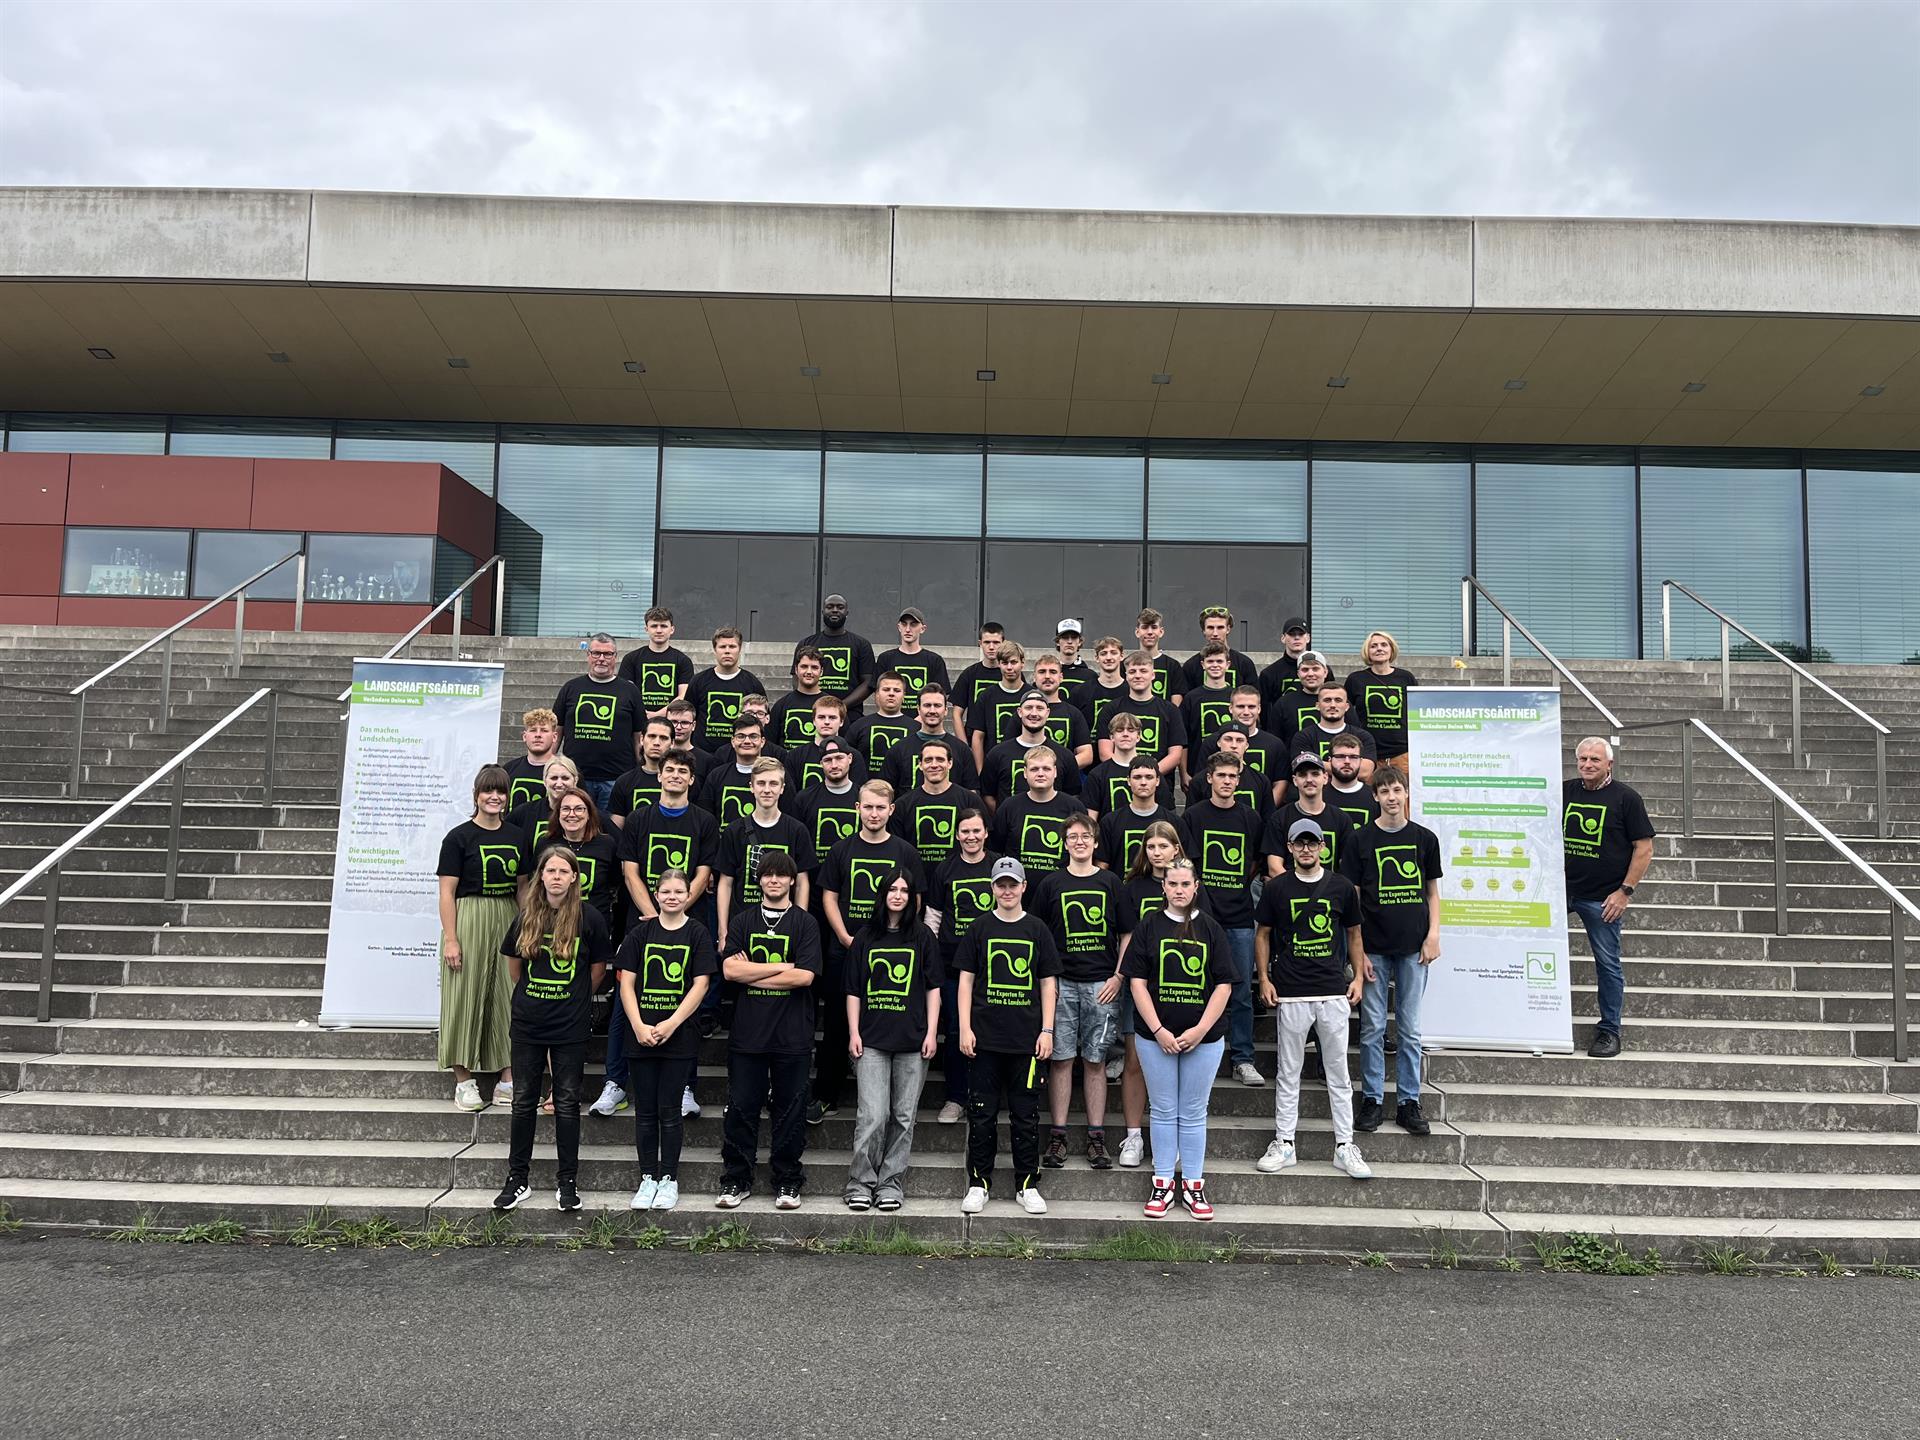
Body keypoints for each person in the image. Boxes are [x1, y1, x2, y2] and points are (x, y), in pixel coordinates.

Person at [492, 844, 613, 1212]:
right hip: (529, 1021)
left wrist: (571, 999)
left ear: (574, 877)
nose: (556, 877)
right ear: (540, 876)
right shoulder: (525, 917)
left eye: (563, 871)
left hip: (569, 1024)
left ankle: (567, 1181)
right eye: (550, 871)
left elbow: (596, 972)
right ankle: (518, 1179)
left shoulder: (589, 918)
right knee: (523, 1101)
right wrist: (537, 999)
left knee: (566, 1102)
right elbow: (516, 970)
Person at [1254, 818, 1372, 1181]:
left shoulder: (1340, 887)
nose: (1306, 849)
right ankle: (1284, 1142)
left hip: (1332, 990)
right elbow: (1263, 936)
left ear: (1323, 846)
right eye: (1299, 843)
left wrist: (1357, 981)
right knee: (1288, 1072)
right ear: (1289, 848)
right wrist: (1264, 978)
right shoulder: (1277, 889)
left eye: (1312, 843)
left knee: (1338, 1073)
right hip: (1291, 992)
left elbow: (1353, 934)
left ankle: (1345, 1145)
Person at [1125, 857, 1235, 1220]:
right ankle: (1162, 1184)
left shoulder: (1211, 929)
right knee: (1163, 1109)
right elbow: (1137, 982)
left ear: (1195, 887)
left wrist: (1200, 1030)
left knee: (1192, 1113)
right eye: (1173, 885)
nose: (1179, 890)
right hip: (1155, 1037)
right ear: (1164, 887)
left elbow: (1223, 983)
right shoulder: (1148, 926)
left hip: (1203, 1038)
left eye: (1185, 885)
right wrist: (1158, 1030)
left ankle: (1193, 1185)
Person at [955, 857, 1061, 1216]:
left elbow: (1048, 983)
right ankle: (978, 1184)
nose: (1007, 890)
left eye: (1012, 884)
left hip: (1026, 1041)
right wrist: (965, 1027)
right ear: (992, 888)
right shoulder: (980, 927)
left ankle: (1027, 1185)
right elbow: (965, 981)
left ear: (1023, 887)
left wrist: (1047, 1029)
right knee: (982, 1116)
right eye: (1001, 884)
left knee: (1025, 1116)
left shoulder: (1037, 929)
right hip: (984, 1040)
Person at [815, 780, 925, 1122]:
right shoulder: (841, 849)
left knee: (887, 1020)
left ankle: (887, 1104)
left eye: (881, 807)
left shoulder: (904, 851)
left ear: (891, 810)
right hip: (845, 950)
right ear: (857, 809)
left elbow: (915, 900)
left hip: (892, 954)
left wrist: (894, 938)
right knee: (835, 1024)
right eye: (868, 806)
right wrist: (846, 936)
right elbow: (829, 897)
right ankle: (826, 1096)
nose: (874, 813)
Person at [717, 852, 823, 1209]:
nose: (774, 880)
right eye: (767, 875)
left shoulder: (805, 924)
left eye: (781, 875)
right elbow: (731, 972)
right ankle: (736, 1179)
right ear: (759, 880)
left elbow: (805, 977)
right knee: (741, 1109)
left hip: (792, 1035)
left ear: (792, 880)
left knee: (790, 1112)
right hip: (748, 1034)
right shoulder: (743, 920)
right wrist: (783, 968)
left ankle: (788, 1181)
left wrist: (756, 972)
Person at [614, 868, 716, 1213]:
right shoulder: (640, 933)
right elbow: (626, 983)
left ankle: (668, 1178)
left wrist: (671, 1023)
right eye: (665, 891)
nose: (672, 897)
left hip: (679, 1036)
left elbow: (700, 984)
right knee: (645, 1110)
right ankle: (648, 1178)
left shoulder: (698, 933)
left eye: (678, 892)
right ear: (656, 896)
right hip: (640, 1035)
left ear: (689, 896)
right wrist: (640, 1025)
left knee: (670, 1111)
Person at [1348, 767, 1442, 1136]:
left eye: (1397, 790)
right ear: (1375, 796)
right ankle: (1371, 1098)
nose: (1391, 796)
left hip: (1414, 948)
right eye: (1384, 790)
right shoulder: (1360, 840)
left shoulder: (1424, 838)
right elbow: (1353, 901)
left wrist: (1433, 934)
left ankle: (1408, 1101)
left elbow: (1432, 892)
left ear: (1406, 794)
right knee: (1371, 1027)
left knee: (1410, 1029)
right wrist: (1358, 954)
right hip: (1373, 948)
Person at [844, 867, 942, 1211]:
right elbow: (853, 990)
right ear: (882, 894)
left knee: (903, 1117)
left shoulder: (923, 937)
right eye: (892, 889)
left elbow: (934, 989)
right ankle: (860, 1182)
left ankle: (890, 1184)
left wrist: (932, 1032)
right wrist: (853, 1032)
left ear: (912, 896)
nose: (898, 895)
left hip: (913, 1042)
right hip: (871, 1040)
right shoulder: (865, 937)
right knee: (872, 1115)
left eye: (904, 889)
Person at [1031, 813, 1125, 1170]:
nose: (1080, 842)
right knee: (1061, 1061)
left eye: (1085, 836)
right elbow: (1038, 936)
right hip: (1062, 983)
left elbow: (1127, 934)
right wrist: (1048, 981)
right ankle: (1058, 1138)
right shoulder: (1051, 884)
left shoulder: (1110, 882)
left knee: (1095, 1062)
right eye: (1072, 837)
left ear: (1096, 842)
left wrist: (1118, 976)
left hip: (1102, 983)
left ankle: (1096, 1138)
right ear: (1064, 843)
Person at [1114, 821, 1208, 1168]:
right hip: (1141, 987)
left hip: (1184, 989)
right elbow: (1126, 937)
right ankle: (1135, 1136)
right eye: (1151, 847)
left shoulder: (1194, 888)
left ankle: (1176, 1142)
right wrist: (1120, 976)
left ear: (1176, 850)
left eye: (1163, 846)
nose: (1157, 852)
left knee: (1181, 1066)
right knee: (1134, 1062)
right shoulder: (1132, 888)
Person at [436, 766, 524, 1112]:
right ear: (476, 794)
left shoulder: (517, 836)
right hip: (469, 915)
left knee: (509, 994)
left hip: (506, 915)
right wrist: (452, 939)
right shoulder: (458, 837)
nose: (494, 797)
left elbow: (523, 888)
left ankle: (507, 1078)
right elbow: (447, 892)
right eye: (488, 791)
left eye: (500, 792)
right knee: (464, 995)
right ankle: (464, 1080)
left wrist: (526, 927)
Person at [1180, 752, 1267, 1087]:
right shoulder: (1193, 816)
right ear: (1209, 778)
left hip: (1240, 917)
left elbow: (1255, 863)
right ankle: (1199, 1048)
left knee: (1241, 990)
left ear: (1239, 779)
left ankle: (1243, 1058)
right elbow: (1191, 867)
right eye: (1222, 776)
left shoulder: (1251, 817)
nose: (1228, 781)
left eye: (1233, 776)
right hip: (1202, 917)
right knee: (1199, 986)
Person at [1564, 737, 1655, 1058]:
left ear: (1609, 765)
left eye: (1595, 760)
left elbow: (1644, 848)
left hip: (1603, 898)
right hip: (1561, 892)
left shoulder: (1626, 799)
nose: (1587, 765)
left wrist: (1624, 892)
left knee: (1607, 964)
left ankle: (1609, 1031)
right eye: (1583, 759)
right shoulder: (1565, 791)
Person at [927, 807, 997, 1126]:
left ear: (985, 833)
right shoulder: (945, 869)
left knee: (991, 1031)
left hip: (995, 968)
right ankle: (956, 1097)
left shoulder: (998, 866)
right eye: (965, 831)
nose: (971, 836)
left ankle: (985, 1095)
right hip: (952, 967)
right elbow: (933, 917)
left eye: (976, 831)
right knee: (956, 1030)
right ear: (957, 835)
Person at [715, 756, 817, 954]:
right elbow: (726, 882)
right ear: (751, 787)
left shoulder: (796, 830)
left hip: (786, 925)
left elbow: (802, 883)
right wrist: (723, 932)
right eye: (761, 783)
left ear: (783, 787)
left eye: (773, 783)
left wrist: (800, 925)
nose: (767, 789)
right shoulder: (734, 830)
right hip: (742, 924)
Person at [554, 632, 643, 813]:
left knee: (610, 833)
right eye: (596, 653)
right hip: (576, 777)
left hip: (617, 778)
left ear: (615, 657)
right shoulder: (571, 688)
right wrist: (550, 763)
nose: (601, 659)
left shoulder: (630, 691)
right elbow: (557, 731)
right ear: (588, 655)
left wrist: (640, 768)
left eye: (607, 654)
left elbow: (638, 736)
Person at [988, 746, 1086, 879]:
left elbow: (1084, 852)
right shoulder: (1009, 807)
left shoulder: (1074, 808)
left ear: (1055, 772)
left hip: (1061, 888)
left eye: (1046, 768)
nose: (1040, 773)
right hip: (1017, 890)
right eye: (1034, 769)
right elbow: (995, 850)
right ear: (1025, 773)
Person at [890, 735, 984, 872]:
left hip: (958, 880)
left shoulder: (971, 801)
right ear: (920, 765)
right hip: (917, 882)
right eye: (928, 760)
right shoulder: (903, 805)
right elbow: (898, 852)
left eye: (940, 759)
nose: (934, 765)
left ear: (950, 763)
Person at [1095, 652, 1186, 788]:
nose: (1138, 675)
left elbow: (1175, 755)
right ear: (1126, 676)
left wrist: (1146, 776)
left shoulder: (1170, 710)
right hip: (1118, 784)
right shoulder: (1110, 709)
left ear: (1153, 675)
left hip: (1159, 786)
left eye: (1143, 671)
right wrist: (1130, 777)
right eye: (1132, 671)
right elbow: (1105, 753)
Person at [537, 785, 620, 930]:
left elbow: (615, 881)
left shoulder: (606, 844)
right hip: (552, 922)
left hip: (594, 925)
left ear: (589, 814)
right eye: (566, 809)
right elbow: (537, 883)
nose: (572, 814)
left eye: (579, 809)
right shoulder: (545, 844)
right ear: (557, 814)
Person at [981, 689, 1082, 808]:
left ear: (1048, 712)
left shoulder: (1065, 755)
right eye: (1029, 707)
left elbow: (1072, 796)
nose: (1034, 713)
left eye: (1040, 708)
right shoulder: (997, 753)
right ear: (1019, 712)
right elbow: (988, 795)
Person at [1264, 752, 1359, 878]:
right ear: (1295, 780)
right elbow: (1274, 867)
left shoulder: (1342, 819)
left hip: (1329, 895)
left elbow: (1347, 867)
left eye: (1315, 774)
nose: (1309, 780)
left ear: (1325, 778)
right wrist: (1300, 889)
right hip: (1291, 895)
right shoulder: (1279, 818)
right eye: (1302, 775)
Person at [882, 683, 983, 793]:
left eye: (937, 705)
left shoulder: (961, 750)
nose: (932, 711)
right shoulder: (899, 749)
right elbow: (886, 792)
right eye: (927, 705)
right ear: (918, 709)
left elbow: (972, 791)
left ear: (945, 710)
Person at [1345, 630, 1418, 770]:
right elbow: (1346, 710)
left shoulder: (1406, 678)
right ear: (1367, 651)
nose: (1379, 648)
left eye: (1384, 645)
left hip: (1402, 753)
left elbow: (1414, 711)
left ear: (1391, 649)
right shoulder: (1356, 679)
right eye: (1373, 646)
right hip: (1367, 753)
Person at [686, 626, 766, 751]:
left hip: (738, 752)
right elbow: (688, 716)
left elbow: (762, 720)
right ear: (714, 650)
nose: (727, 651)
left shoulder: (752, 683)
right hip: (703, 752)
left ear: (740, 649)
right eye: (722, 647)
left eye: (732, 646)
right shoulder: (698, 681)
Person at [794, 594, 877, 712]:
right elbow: (796, 678)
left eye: (840, 607)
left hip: (850, 714)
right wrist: (813, 705)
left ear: (847, 612)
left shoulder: (862, 644)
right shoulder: (806, 643)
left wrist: (840, 706)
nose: (835, 610)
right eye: (830, 607)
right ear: (822, 611)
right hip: (813, 713)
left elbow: (868, 682)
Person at [699, 716, 784, 825]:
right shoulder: (716, 776)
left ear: (762, 742)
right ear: (733, 741)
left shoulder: (776, 776)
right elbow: (706, 819)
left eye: (753, 736)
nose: (747, 741)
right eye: (741, 736)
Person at [1097, 756, 1177, 873]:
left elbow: (1182, 863)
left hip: (1162, 890)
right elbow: (1102, 866)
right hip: (1121, 890)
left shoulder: (1173, 821)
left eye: (1149, 777)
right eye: (1137, 777)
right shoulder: (1110, 822)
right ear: (1128, 781)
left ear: (1158, 781)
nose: (1143, 782)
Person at [619, 606, 695, 717]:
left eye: (663, 626)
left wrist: (656, 715)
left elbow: (683, 696)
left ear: (672, 629)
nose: (659, 630)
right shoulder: (631, 659)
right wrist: (641, 714)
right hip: (638, 719)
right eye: (654, 626)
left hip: (671, 721)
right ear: (646, 629)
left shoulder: (683, 661)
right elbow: (626, 693)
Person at [965, 640, 1031, 770]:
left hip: (1026, 766)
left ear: (1022, 663)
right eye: (1005, 663)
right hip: (994, 766)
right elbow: (977, 737)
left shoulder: (1031, 696)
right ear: (999, 664)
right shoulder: (986, 696)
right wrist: (980, 772)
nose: (1009, 667)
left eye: (1014, 662)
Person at [786, 695, 870, 792]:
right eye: (821, 717)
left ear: (841, 721)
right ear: (814, 721)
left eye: (832, 718)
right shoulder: (795, 755)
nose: (826, 722)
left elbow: (859, 793)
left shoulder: (854, 756)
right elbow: (791, 793)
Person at [507, 754, 586, 857]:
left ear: (575, 780)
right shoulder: (525, 812)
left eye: (565, 778)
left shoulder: (587, 813)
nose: (559, 783)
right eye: (554, 778)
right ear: (544, 781)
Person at [1294, 684, 1378, 781]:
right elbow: (1305, 769)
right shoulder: (1303, 737)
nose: (1333, 705)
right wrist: (1349, 768)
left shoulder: (1363, 736)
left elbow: (1364, 772)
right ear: (1317, 706)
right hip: (1319, 795)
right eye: (1327, 700)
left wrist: (1314, 762)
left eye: (1338, 700)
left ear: (1347, 706)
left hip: (1353, 795)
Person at [1029, 653, 1094, 773]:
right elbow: (1013, 750)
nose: (1047, 676)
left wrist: (1056, 768)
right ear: (1034, 677)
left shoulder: (1074, 713)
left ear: (1061, 677)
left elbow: (1086, 755)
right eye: (1042, 672)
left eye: (1053, 672)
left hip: (1064, 785)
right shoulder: (1024, 713)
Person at [875, 607, 953, 706]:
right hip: (893, 720)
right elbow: (878, 694)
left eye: (913, 624)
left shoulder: (935, 660)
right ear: (899, 627)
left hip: (923, 720)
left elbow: (941, 696)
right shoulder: (885, 658)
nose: (907, 629)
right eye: (904, 624)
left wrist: (921, 718)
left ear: (923, 629)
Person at [608, 717, 675, 828]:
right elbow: (616, 829)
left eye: (663, 738)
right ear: (641, 739)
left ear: (672, 743)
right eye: (652, 736)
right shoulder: (624, 781)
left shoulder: (680, 780)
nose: (657, 743)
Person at [847, 671, 915, 773]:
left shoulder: (916, 728)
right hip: (866, 787)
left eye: (896, 690)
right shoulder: (859, 725)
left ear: (904, 695)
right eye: (886, 689)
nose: (891, 693)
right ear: (877, 694)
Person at [1182, 605, 1259, 694]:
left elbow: (1253, 700)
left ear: (1228, 629)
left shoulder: (1244, 663)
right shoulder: (1190, 666)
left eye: (1220, 627)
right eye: (1210, 628)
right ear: (1203, 630)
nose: (1215, 633)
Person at [1268, 649, 1334, 746]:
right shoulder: (1284, 703)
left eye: (1315, 669)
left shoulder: (1337, 701)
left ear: (1325, 672)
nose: (1310, 674)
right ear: (1298, 674)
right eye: (1305, 669)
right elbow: (1275, 741)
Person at [503, 708, 562, 809]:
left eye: (544, 730)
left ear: (554, 737)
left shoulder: (567, 772)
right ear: (525, 736)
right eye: (533, 730)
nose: (538, 735)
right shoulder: (508, 770)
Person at [769, 648, 827, 749]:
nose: (809, 672)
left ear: (821, 671)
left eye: (814, 667)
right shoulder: (781, 705)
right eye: (804, 667)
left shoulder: (832, 705)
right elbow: (771, 744)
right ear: (796, 669)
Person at [950, 621, 1008, 718]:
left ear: (1003, 643)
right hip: (972, 732)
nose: (991, 647)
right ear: (980, 643)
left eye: (996, 642)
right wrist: (962, 734)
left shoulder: (1011, 672)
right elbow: (956, 713)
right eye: (987, 642)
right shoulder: (969, 674)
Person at [1076, 635, 1130, 735]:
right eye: (1103, 653)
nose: (1109, 657)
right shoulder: (1081, 691)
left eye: (1113, 653)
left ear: (1121, 656)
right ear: (1097, 658)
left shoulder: (1132, 691)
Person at [1132, 608, 1188, 706]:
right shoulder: (1127, 664)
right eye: (1145, 627)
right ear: (1137, 632)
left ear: (1161, 632)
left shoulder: (1173, 666)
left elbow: (1176, 706)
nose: (1150, 632)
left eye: (1154, 627)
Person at [1257, 617, 1314, 708]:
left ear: (1308, 638)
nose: (1296, 637)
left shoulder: (1321, 672)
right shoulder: (1269, 674)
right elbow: (1264, 708)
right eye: (1292, 634)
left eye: (1301, 634)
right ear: (1283, 638)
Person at [1327, 736, 1380, 830]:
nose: (1347, 761)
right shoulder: (1319, 795)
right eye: (1340, 756)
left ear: (1361, 761)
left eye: (1353, 757)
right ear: (1330, 760)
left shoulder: (1375, 797)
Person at [1053, 618, 1095, 704]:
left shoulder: (1090, 676)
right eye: (1065, 637)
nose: (1069, 641)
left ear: (1080, 642)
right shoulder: (1049, 673)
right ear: (1057, 641)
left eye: (1074, 637)